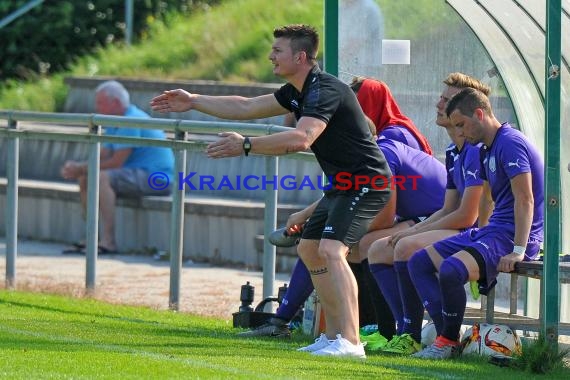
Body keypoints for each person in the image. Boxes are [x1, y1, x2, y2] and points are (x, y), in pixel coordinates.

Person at [150, 24, 392, 358]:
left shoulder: (324, 90)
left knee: (333, 250)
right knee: (310, 248)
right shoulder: (297, 90)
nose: (271, 56)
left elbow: (301, 138)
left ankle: (351, 342)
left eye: (278, 51)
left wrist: (247, 144)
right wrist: (193, 101)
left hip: (366, 182)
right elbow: (246, 106)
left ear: (300, 56)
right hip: (342, 184)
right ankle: (333, 335)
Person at [238, 76, 434, 341]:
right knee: (317, 241)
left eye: (352, 103)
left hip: (424, 216)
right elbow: (345, 185)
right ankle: (296, 322)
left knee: (351, 244)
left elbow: (386, 205)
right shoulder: (371, 135)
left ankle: (393, 331)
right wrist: (310, 216)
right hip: (398, 211)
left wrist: (337, 224)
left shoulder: (387, 139)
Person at [361, 73, 491, 355]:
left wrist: (411, 234)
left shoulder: (475, 150)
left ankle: (439, 335)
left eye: (447, 99)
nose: (439, 103)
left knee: (405, 247)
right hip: (458, 225)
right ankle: (405, 330)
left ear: (465, 108)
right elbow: (448, 207)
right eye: (442, 97)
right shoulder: (454, 151)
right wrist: (410, 230)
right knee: (377, 250)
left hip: (482, 233)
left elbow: (468, 216)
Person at [410, 87, 544, 360]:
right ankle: (445, 335)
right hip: (494, 231)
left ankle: (447, 340)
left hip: (514, 236)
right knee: (419, 261)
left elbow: (526, 199)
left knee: (450, 270)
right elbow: (488, 199)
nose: (459, 132)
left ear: (480, 114)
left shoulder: (510, 143)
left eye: (461, 124)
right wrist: (480, 234)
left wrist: (519, 249)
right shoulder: (486, 148)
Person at [61, 80, 174, 254]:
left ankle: (109, 241)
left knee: (100, 177)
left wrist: (80, 167)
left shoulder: (131, 120)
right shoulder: (114, 122)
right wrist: (80, 168)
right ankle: (92, 236)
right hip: (136, 174)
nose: (96, 107)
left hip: (157, 178)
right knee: (86, 177)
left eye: (100, 102)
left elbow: (116, 162)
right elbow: (102, 156)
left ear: (115, 102)